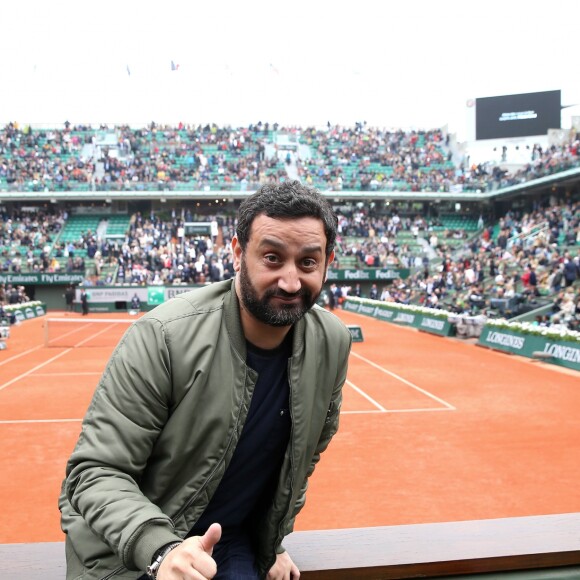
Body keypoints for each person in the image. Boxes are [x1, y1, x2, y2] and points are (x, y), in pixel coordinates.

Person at [59, 181, 352, 580]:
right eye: (271, 258)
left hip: (228, 540)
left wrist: (273, 543)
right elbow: (95, 472)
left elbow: (303, 456)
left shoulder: (332, 342)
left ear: (327, 261)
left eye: (307, 262)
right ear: (236, 253)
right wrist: (161, 549)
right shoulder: (163, 336)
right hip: (130, 550)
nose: (290, 281)